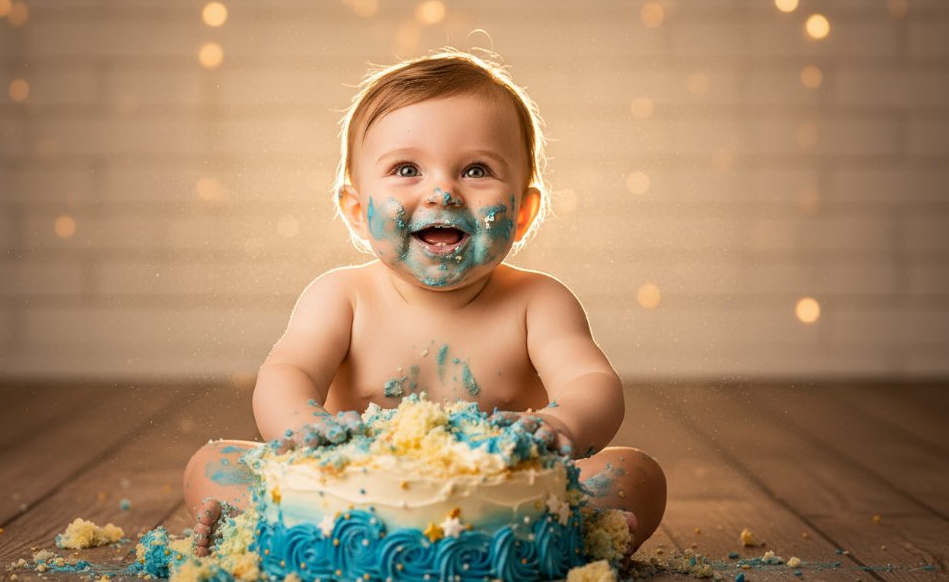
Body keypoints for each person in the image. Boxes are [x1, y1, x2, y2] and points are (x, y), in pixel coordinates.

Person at [182, 49, 666, 558]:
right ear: (354, 210)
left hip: (502, 504)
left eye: (476, 170)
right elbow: (287, 371)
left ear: (523, 212)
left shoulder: (538, 302)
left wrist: (561, 425)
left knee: (636, 473)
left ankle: (578, 534)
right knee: (213, 463)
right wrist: (301, 426)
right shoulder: (342, 297)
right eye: (407, 168)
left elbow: (592, 383)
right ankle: (254, 524)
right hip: (344, 498)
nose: (443, 192)